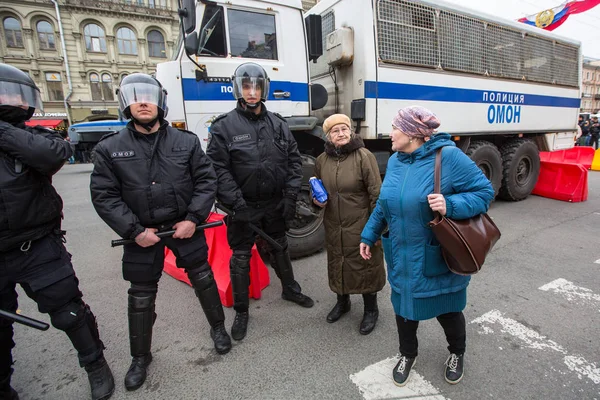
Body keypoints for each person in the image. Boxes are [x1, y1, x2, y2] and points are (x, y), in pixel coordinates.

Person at [90, 73, 231, 391]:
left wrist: (194, 218)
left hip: (184, 226)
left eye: (149, 95)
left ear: (160, 102)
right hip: (141, 233)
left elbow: (206, 180)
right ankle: (140, 357)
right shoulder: (110, 148)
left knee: (203, 278)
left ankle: (219, 328)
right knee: (140, 296)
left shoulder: (186, 141)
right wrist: (134, 230)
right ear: (126, 102)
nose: (143, 101)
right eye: (136, 96)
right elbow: (105, 195)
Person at [0, 63, 114, 400]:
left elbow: (50, 154)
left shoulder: (33, 135)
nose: (9, 100)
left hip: (36, 247)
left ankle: (95, 364)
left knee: (68, 311)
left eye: (13, 93)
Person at [359, 106, 494, 387]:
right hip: (401, 257)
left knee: (448, 310)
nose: (390, 133)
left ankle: (457, 353)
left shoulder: (449, 157)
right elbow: (385, 205)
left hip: (436, 257)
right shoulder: (396, 161)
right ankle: (407, 354)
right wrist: (368, 235)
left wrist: (451, 205)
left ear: (412, 133)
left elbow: (484, 192)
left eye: (395, 127)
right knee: (404, 310)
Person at [206, 62, 314, 342]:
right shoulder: (223, 126)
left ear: (264, 89)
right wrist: (236, 204)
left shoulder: (278, 123)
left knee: (279, 246)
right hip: (242, 206)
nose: (251, 92)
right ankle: (242, 311)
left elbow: (293, 161)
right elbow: (217, 168)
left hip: (274, 202)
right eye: (246, 86)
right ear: (237, 89)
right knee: (241, 257)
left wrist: (290, 196)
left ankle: (289, 288)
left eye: (256, 86)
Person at [313, 114, 386, 335]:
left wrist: (375, 229)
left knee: (366, 265)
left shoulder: (364, 157)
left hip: (361, 224)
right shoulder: (321, 161)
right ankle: (342, 302)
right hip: (334, 224)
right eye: (336, 131)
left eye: (345, 129)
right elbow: (316, 189)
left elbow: (377, 195)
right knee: (338, 263)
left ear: (351, 132)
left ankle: (371, 310)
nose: (342, 133)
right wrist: (315, 200)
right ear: (328, 136)